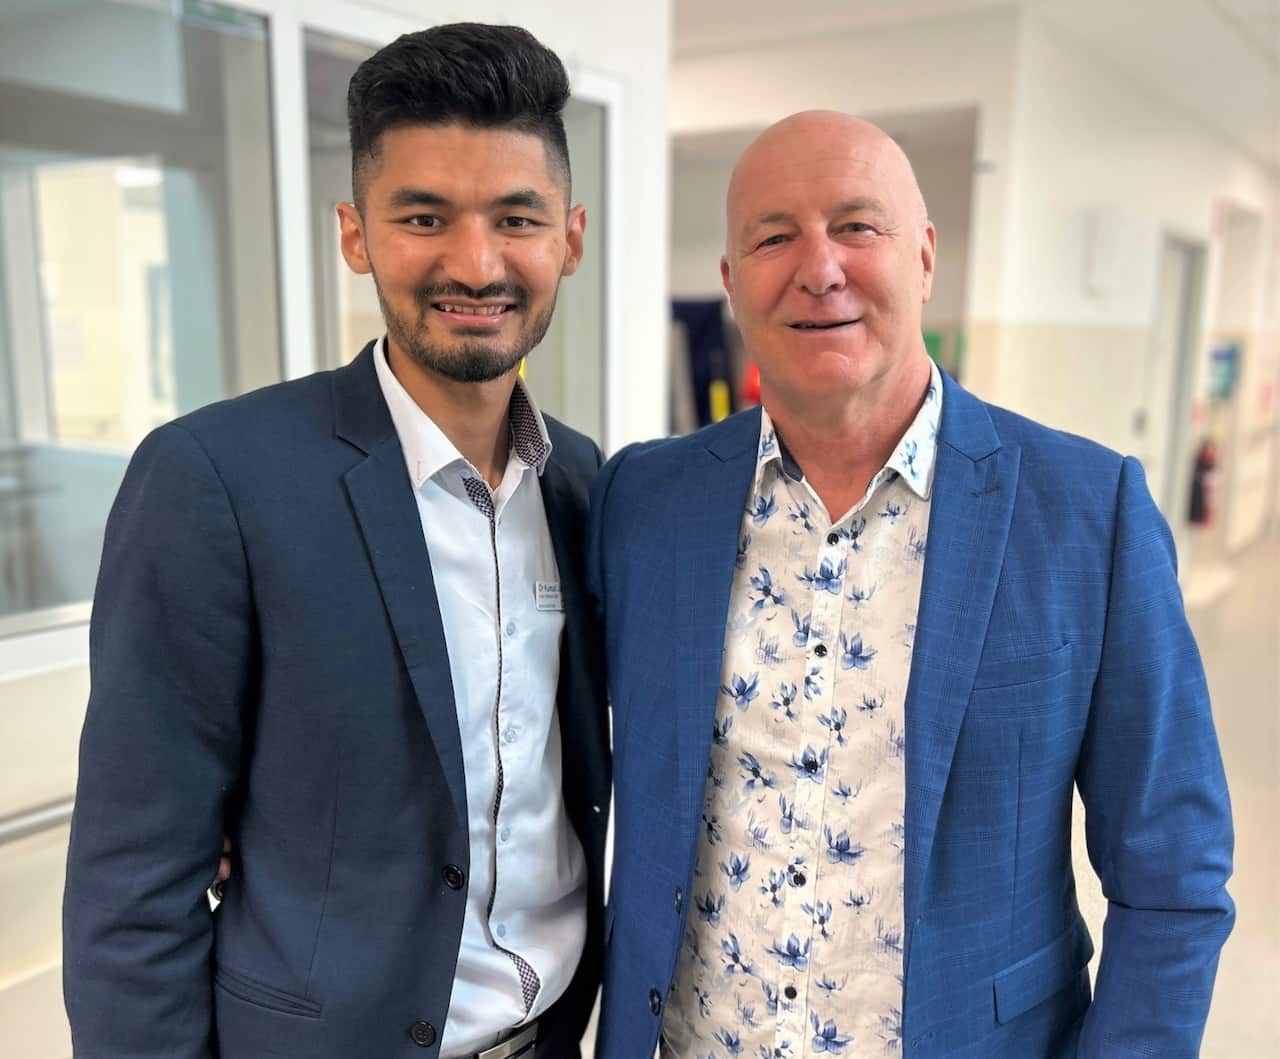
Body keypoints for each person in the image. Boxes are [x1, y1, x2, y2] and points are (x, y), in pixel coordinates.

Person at [589, 111, 1233, 1058]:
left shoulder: (1086, 511)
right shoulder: (641, 501)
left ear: (924, 256)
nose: (819, 269)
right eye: (773, 237)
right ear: (731, 281)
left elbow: (1173, 874)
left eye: (857, 226)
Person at [63, 23, 608, 1059]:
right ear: (355, 235)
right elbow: (132, 876)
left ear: (569, 239)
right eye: (423, 217)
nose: (476, 262)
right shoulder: (215, 478)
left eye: (516, 218)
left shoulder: (583, 483)